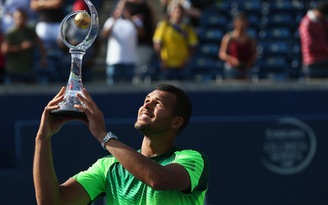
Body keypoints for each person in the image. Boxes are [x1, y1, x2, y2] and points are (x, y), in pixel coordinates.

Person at [33, 83, 209, 204]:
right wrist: (43, 138)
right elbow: (51, 203)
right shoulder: (108, 166)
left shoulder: (192, 159)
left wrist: (104, 136)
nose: (147, 106)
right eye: (146, 101)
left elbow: (158, 179)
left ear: (176, 122)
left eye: (158, 103)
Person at [153, 1, 198, 81]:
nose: (178, 14)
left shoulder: (187, 28)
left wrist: (186, 61)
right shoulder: (163, 26)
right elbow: (157, 44)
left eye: (180, 11)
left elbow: (193, 45)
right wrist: (161, 61)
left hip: (182, 65)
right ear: (170, 13)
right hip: (167, 65)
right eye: (176, 11)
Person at [1, 8, 46, 83]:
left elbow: (40, 44)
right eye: (18, 17)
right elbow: (4, 50)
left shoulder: (30, 31)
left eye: (22, 17)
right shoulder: (11, 33)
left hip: (29, 69)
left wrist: (43, 58)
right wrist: (21, 47)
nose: (21, 19)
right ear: (14, 19)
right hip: (14, 71)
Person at [101, 1, 141, 85]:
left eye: (125, 9)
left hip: (130, 60)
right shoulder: (111, 21)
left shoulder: (135, 21)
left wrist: (130, 18)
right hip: (114, 60)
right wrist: (114, 20)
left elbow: (142, 33)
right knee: (112, 89)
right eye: (120, 8)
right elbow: (104, 35)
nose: (122, 11)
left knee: (129, 88)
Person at [218, 12, 257, 79]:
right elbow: (222, 54)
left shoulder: (250, 38)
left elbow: (254, 54)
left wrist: (249, 63)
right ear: (235, 23)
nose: (241, 24)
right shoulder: (229, 37)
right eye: (240, 22)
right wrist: (233, 61)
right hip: (232, 69)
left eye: (243, 22)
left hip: (246, 70)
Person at [298, 2, 328, 78]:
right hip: (312, 63)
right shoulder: (307, 23)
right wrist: (326, 47)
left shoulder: (323, 22)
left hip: (325, 60)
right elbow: (310, 43)